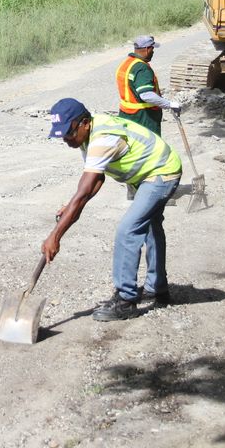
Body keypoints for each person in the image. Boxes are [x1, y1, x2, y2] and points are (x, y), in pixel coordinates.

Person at [42, 98, 183, 321]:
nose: (66, 140)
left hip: (161, 173)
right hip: (148, 174)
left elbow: (85, 192)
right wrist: (71, 206)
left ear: (84, 122)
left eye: (68, 133)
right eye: (61, 136)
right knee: (150, 227)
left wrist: (55, 236)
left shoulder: (102, 139)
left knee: (128, 230)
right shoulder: (89, 136)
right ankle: (158, 287)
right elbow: (95, 181)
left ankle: (126, 301)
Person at [115, 35, 181, 137]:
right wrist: (169, 104)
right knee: (150, 149)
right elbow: (146, 95)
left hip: (126, 115)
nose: (153, 52)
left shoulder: (127, 63)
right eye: (152, 49)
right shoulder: (142, 68)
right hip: (143, 118)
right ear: (147, 49)